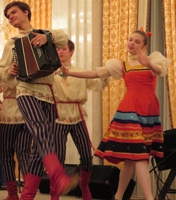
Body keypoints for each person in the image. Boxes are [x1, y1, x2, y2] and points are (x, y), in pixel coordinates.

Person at [61, 30, 170, 200]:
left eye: (137, 41)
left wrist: (147, 62)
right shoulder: (121, 65)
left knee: (130, 158)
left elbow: (159, 70)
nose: (132, 43)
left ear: (144, 45)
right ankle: (150, 198)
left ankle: (118, 196)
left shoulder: (154, 61)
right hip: (129, 110)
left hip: (148, 112)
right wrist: (69, 72)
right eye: (130, 40)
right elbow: (94, 73)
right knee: (140, 156)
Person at [0, 2, 79, 199]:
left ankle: (27, 196)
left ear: (26, 12)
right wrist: (9, 71)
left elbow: (64, 39)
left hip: (48, 93)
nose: (11, 17)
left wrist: (47, 37)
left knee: (39, 149)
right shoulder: (12, 43)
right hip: (25, 90)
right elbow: (0, 72)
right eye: (8, 15)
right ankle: (58, 176)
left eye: (14, 12)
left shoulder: (44, 33)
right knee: (40, 130)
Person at [52, 40, 109, 200]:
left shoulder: (80, 72)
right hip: (58, 116)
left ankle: (84, 186)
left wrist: (106, 73)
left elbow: (97, 84)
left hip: (77, 115)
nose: (60, 52)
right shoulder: (50, 73)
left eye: (63, 49)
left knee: (86, 155)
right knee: (59, 156)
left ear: (71, 52)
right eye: (57, 50)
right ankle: (54, 192)